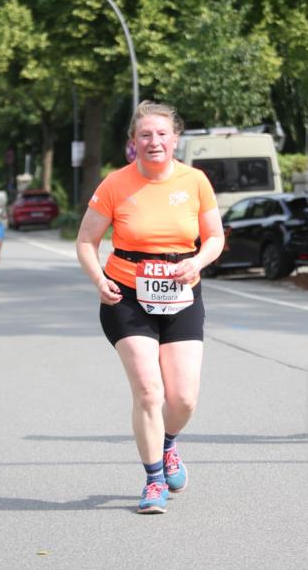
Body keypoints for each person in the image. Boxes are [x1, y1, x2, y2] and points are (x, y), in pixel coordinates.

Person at [76, 100, 225, 514]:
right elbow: (86, 241)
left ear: (175, 139)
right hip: (126, 296)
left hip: (181, 295)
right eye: (145, 135)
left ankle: (168, 443)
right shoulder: (115, 184)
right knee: (148, 390)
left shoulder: (195, 181)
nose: (154, 141)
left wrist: (197, 261)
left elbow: (215, 237)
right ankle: (154, 479)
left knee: (183, 399)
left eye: (161, 134)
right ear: (133, 142)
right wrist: (99, 280)